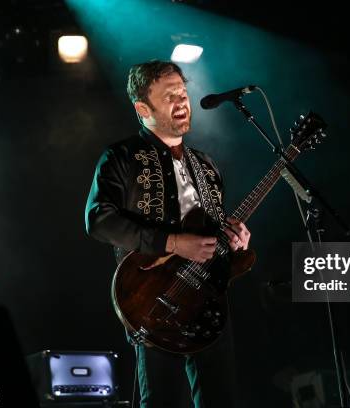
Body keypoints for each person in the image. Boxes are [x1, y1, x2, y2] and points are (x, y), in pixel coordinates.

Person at [85, 60, 251, 407]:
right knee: (162, 400)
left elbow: (214, 233)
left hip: (208, 299)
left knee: (223, 398)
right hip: (152, 299)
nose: (182, 102)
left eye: (184, 93)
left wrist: (235, 240)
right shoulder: (121, 157)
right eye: (170, 95)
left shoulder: (206, 165)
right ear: (142, 108)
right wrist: (173, 242)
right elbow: (99, 220)